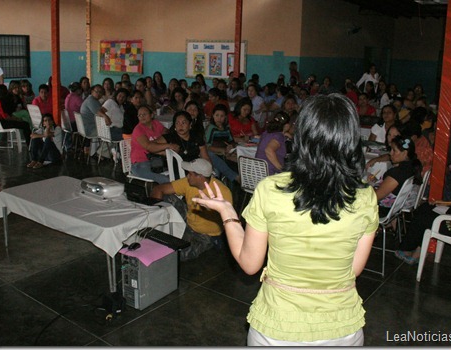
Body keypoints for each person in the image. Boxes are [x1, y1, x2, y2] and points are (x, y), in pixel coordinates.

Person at [191, 94, 378, 346]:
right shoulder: (366, 197)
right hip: (341, 327)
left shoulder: (271, 189)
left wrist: (228, 212)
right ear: (350, 140)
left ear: (302, 136)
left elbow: (249, 264)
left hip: (278, 327)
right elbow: (353, 270)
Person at [151, 158, 233, 261]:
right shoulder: (188, 182)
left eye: (190, 174)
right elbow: (158, 189)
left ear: (200, 176)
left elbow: (230, 222)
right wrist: (154, 216)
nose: (187, 176)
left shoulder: (222, 193)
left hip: (205, 235)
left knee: (174, 256)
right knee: (168, 198)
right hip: (189, 222)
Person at [374, 135, 422, 217]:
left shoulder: (397, 173)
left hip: (384, 210)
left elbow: (375, 198)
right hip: (396, 208)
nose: (390, 153)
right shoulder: (411, 167)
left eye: (394, 150)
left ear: (404, 153)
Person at [130, 105, 178, 184]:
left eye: (144, 114)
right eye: (139, 115)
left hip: (156, 160)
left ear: (151, 115)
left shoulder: (156, 123)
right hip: (140, 163)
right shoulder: (138, 129)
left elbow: (167, 133)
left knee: (177, 175)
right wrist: (168, 146)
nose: (142, 117)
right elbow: (149, 147)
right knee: (167, 181)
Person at [205, 104, 240, 185]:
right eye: (217, 115)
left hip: (226, 154)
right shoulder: (211, 128)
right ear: (213, 116)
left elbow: (232, 142)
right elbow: (207, 146)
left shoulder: (227, 129)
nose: (219, 118)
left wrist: (231, 147)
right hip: (214, 153)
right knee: (211, 156)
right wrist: (222, 150)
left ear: (225, 117)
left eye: (222, 116)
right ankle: (235, 177)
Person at [255, 111, 290, 175]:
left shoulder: (266, 133)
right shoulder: (279, 136)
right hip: (271, 173)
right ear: (287, 126)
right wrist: (281, 169)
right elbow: (269, 150)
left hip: (259, 171)